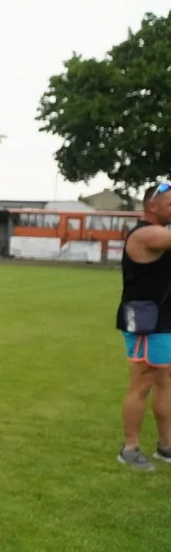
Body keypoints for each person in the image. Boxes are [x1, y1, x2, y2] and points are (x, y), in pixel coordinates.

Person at [115, 181, 171, 470]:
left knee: (164, 381)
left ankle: (166, 445)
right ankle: (130, 448)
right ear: (152, 206)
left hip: (162, 321)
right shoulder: (147, 234)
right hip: (145, 322)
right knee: (142, 383)